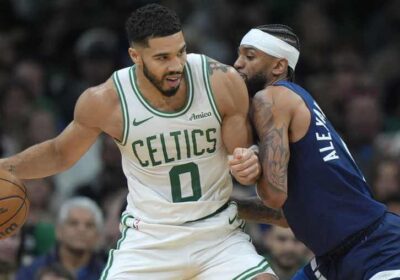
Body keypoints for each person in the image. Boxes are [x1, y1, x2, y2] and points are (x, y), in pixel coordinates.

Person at [0, 4, 276, 279]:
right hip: (149, 241)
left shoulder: (221, 81)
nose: (176, 65)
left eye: (180, 52)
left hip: (217, 236)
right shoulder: (106, 101)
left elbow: (239, 154)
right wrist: (6, 167)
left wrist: (249, 161)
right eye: (162, 57)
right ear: (135, 56)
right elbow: (60, 154)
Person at [233, 24, 400, 279]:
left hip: (376, 250)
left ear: (278, 66)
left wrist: (256, 165)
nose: (237, 64)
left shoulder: (270, 98)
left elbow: (274, 195)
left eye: (250, 56)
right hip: (334, 257)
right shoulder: (295, 101)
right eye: (239, 55)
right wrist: (227, 207)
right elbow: (289, 214)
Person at [16, 197, 105, 280]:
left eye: (89, 225)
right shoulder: (31, 271)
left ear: (98, 236)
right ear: (58, 231)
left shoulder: (110, 274)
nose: (81, 230)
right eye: (73, 223)